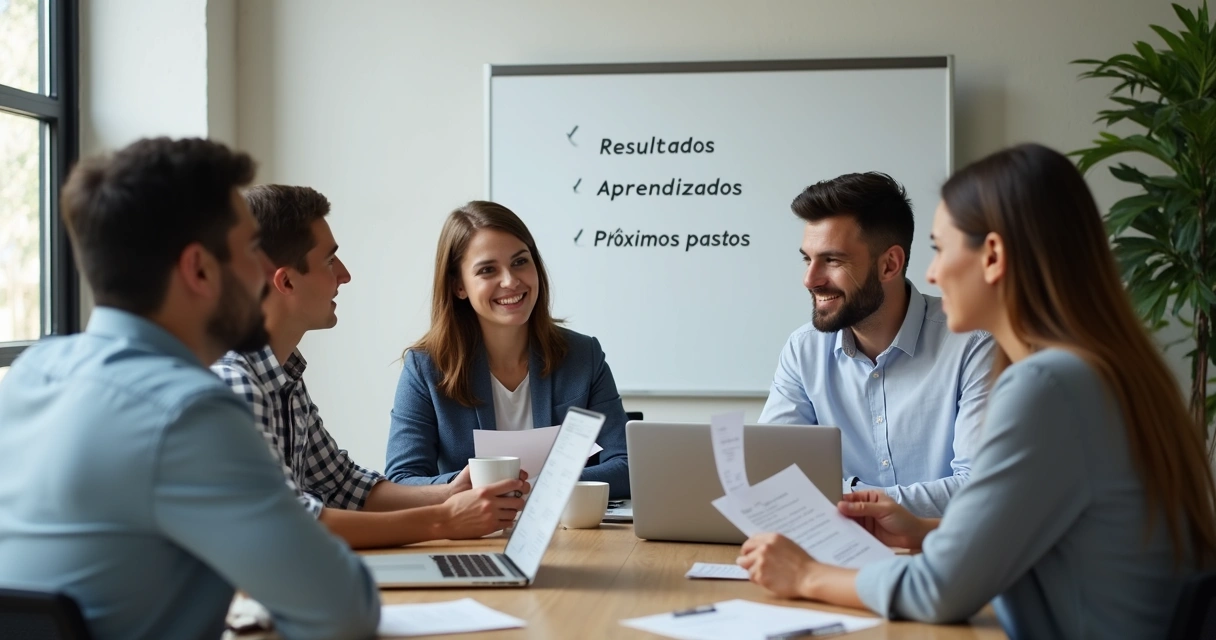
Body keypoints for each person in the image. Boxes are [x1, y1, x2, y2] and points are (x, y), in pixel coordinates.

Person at [738, 143, 1216, 638]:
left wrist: (806, 574)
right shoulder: (1094, 369)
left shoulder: (1048, 386)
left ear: (992, 256)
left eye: (942, 249)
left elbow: (939, 591)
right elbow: (1043, 535)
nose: (931, 273)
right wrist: (924, 529)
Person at [0, 138, 379, 639]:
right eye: (249, 250)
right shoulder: (188, 413)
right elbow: (342, 611)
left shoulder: (31, 373)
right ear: (200, 270)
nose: (264, 274)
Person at [212, 185, 528, 549]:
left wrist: (450, 492)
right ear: (285, 281)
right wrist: (444, 519)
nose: (344, 275)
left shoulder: (284, 378)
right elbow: (290, 522)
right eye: (330, 261)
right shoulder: (233, 384)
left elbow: (342, 485)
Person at [758, 172, 994, 517]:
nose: (810, 279)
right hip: (830, 550)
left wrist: (846, 499)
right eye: (808, 259)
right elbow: (773, 475)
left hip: (940, 558)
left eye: (833, 260)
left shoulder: (974, 344)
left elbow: (980, 488)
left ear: (889, 265)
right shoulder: (803, 350)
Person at [385, 200, 629, 498]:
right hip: (471, 536)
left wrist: (529, 485)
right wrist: (470, 486)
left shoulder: (583, 355)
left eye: (520, 262)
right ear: (459, 286)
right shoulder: (425, 367)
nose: (511, 281)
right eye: (488, 270)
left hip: (571, 533)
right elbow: (401, 480)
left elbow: (626, 466)